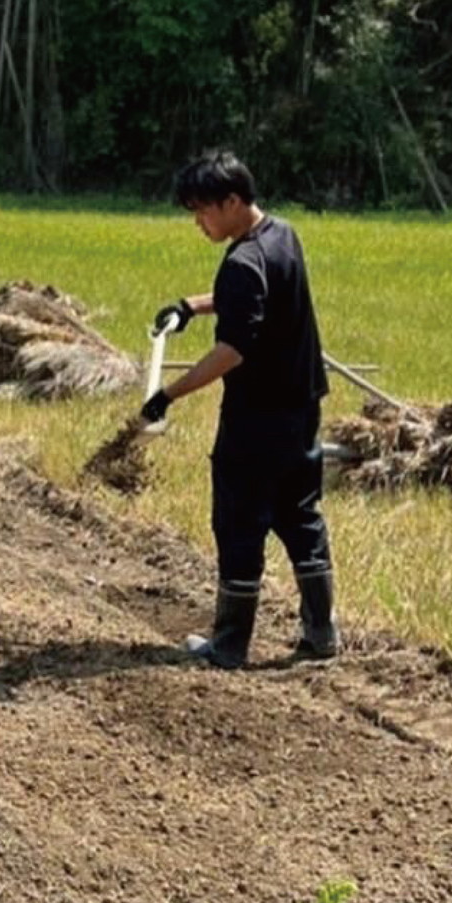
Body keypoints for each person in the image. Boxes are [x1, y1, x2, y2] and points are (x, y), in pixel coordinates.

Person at [143, 150, 337, 670]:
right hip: (302, 407)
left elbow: (232, 350)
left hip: (257, 419)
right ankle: (321, 635)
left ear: (232, 202)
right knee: (301, 518)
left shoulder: (243, 260)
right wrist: (190, 306)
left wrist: (167, 394)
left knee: (238, 523)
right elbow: (250, 297)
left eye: (202, 211)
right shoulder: (282, 235)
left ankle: (229, 645)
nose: (198, 222)